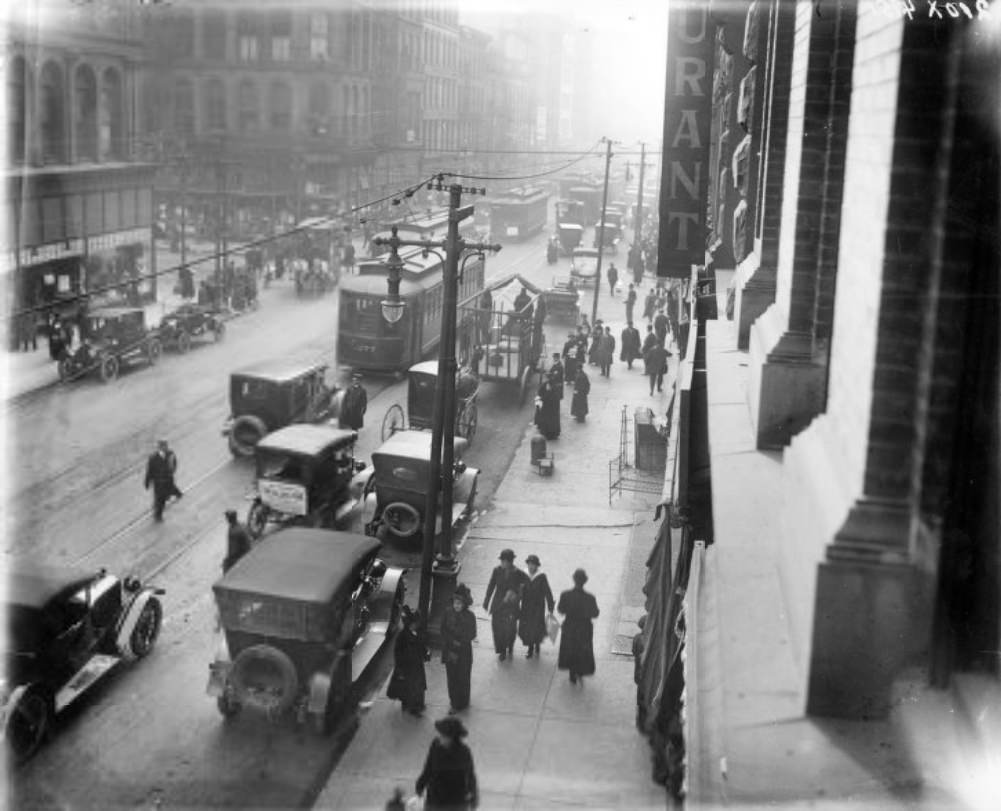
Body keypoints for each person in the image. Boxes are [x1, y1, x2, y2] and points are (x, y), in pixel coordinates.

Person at [415, 716, 478, 810]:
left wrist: (473, 795)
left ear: (452, 738)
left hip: (456, 801)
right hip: (435, 798)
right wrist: (420, 784)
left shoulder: (464, 752)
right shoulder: (435, 745)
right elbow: (428, 766)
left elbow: (470, 775)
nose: (440, 737)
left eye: (443, 735)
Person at [483, 549, 528, 661]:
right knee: (497, 628)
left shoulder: (518, 573)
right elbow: (491, 585)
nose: (502, 563)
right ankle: (502, 650)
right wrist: (486, 601)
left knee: (510, 629)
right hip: (498, 604)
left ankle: (510, 645)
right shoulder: (497, 570)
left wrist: (517, 594)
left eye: (505, 561)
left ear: (510, 562)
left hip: (511, 606)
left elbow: (525, 587)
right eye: (502, 561)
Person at [557, 568, 600, 685]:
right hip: (584, 628)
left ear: (574, 580)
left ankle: (572, 672)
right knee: (582, 650)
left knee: (571, 649)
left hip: (569, 626)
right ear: (585, 581)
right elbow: (595, 613)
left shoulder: (565, 595)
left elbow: (560, 610)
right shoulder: (590, 598)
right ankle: (580, 670)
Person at [441, 584, 477, 712]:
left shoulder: (470, 616)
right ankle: (454, 703)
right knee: (452, 677)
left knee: (463, 677)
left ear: (464, 604)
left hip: (464, 652)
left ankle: (464, 701)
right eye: (455, 603)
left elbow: (472, 633)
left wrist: (461, 642)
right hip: (450, 651)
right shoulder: (447, 613)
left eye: (459, 603)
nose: (456, 606)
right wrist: (452, 641)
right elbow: (443, 630)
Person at [387, 607, 429, 717]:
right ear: (409, 623)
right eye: (414, 623)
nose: (416, 625)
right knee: (408, 687)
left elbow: (422, 645)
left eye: (417, 623)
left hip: (417, 665)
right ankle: (410, 706)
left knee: (418, 687)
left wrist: (426, 653)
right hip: (407, 667)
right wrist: (400, 668)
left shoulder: (418, 633)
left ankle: (417, 705)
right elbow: (398, 653)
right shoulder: (402, 636)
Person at [518, 554, 555, 659]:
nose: (531, 566)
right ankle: (530, 648)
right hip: (526, 606)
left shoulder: (541, 577)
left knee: (536, 626)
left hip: (538, 607)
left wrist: (550, 607)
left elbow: (548, 592)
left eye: (533, 565)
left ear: (537, 566)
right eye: (529, 564)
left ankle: (537, 644)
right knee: (528, 628)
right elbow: (519, 591)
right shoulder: (523, 575)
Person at [144, 439, 182, 522]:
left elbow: (174, 463)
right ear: (159, 448)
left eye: (166, 446)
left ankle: (158, 512)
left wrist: (172, 472)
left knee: (163, 498)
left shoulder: (170, 454)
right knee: (159, 499)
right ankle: (158, 515)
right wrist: (147, 482)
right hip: (158, 483)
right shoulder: (153, 458)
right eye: (163, 446)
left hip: (168, 480)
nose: (165, 448)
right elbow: (149, 471)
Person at [534, 373, 561, 440]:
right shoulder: (550, 385)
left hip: (549, 406)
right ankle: (551, 434)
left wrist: (542, 398)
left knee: (548, 420)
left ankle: (550, 434)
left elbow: (548, 396)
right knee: (551, 421)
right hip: (551, 407)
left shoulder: (551, 385)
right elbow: (540, 392)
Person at [633, 615, 648, 731]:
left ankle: (640, 722)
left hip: (639, 672)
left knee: (640, 697)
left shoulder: (637, 638)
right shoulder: (650, 640)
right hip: (647, 673)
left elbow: (633, 651)